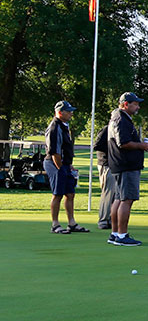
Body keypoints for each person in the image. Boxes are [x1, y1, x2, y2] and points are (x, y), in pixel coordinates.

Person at [106, 92, 148, 246]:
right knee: (126, 199)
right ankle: (122, 235)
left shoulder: (118, 118)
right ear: (126, 104)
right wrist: (142, 146)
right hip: (126, 164)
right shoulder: (121, 119)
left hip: (120, 164)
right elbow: (123, 142)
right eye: (135, 104)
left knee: (119, 199)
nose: (138, 107)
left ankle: (115, 233)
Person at [44, 100, 87, 234]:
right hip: (54, 163)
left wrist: (69, 165)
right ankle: (55, 224)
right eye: (68, 111)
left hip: (64, 164)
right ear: (59, 112)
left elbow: (65, 148)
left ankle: (71, 223)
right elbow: (55, 151)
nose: (71, 113)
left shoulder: (64, 126)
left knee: (70, 193)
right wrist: (61, 167)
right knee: (58, 194)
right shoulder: (55, 127)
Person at [92, 124, 116, 230]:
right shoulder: (107, 129)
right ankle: (103, 219)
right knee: (108, 192)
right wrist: (112, 151)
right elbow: (97, 145)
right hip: (106, 164)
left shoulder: (121, 128)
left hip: (116, 164)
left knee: (115, 194)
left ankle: (111, 218)